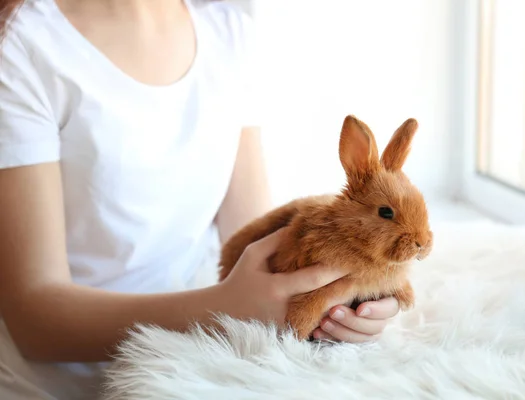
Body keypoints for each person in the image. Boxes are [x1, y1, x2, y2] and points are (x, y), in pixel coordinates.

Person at [0, 0, 401, 398]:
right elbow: (34, 321)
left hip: (182, 367)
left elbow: (256, 243)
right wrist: (222, 307)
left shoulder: (228, 31)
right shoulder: (24, 46)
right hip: (57, 385)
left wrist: (349, 293)